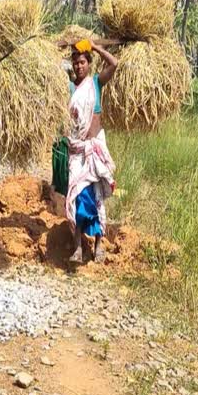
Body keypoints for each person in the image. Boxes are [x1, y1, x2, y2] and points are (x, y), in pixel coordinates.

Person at [65, 40, 118, 264]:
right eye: (75, 63)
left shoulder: (95, 82)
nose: (79, 67)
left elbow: (114, 64)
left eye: (83, 62)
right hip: (77, 150)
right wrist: (66, 43)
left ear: (89, 64)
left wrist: (95, 46)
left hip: (94, 149)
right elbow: (51, 64)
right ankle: (77, 247)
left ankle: (98, 245)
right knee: (77, 196)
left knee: (96, 197)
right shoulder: (68, 87)